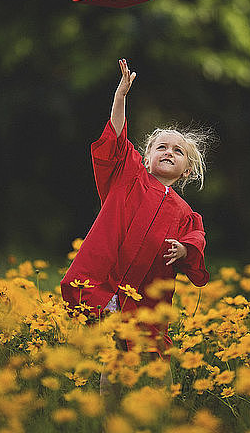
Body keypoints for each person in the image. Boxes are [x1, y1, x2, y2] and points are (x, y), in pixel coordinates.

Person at [60, 59, 210, 387]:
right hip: (111, 286)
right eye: (161, 147)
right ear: (146, 156)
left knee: (153, 352)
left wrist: (185, 250)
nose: (168, 152)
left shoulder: (184, 211)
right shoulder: (127, 177)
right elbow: (114, 141)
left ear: (186, 170)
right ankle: (109, 416)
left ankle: (158, 413)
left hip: (148, 294)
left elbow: (196, 239)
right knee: (115, 354)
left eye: (178, 151)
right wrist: (120, 98)